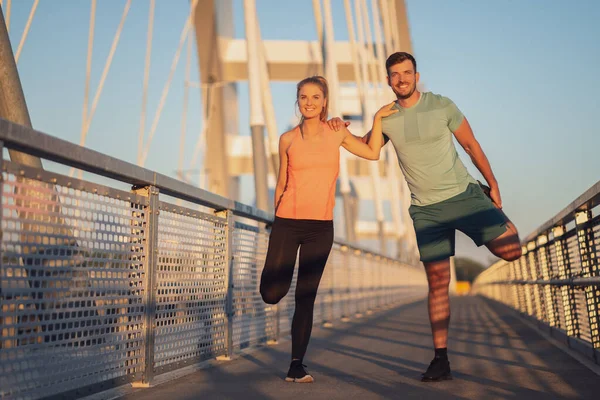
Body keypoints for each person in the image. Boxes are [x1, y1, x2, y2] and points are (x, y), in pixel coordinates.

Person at [328, 52, 522, 382]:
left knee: (511, 251)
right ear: (387, 80)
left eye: (407, 72)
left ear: (417, 76)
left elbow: (471, 145)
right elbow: (369, 149)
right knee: (437, 284)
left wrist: (493, 185)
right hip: (426, 211)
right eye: (394, 74)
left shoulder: (442, 105)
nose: (401, 78)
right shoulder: (387, 118)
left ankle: (496, 214)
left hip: (465, 196)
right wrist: (340, 130)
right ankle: (440, 358)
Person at [259, 75, 397, 383]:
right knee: (271, 293)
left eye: (315, 97)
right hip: (287, 223)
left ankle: (297, 364)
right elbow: (281, 182)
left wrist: (377, 119)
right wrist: (275, 220)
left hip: (320, 228)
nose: (309, 102)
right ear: (298, 102)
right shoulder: (287, 139)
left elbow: (372, 152)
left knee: (305, 296)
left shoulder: (336, 133)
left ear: (325, 102)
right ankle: (275, 293)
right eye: (304, 97)